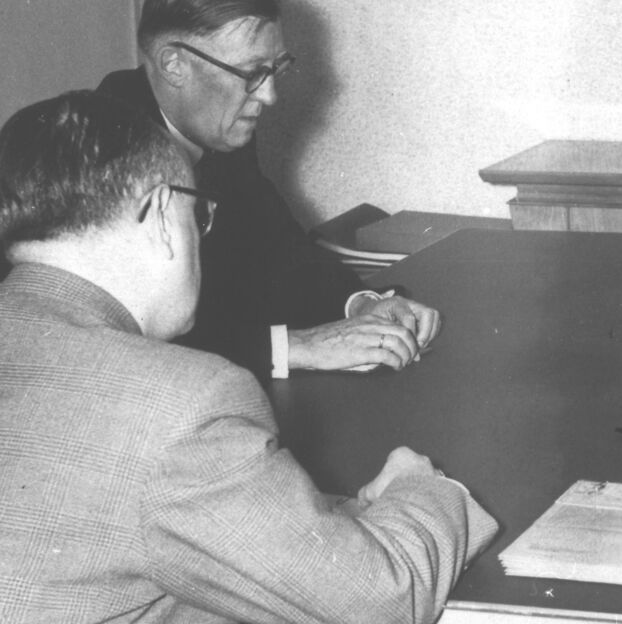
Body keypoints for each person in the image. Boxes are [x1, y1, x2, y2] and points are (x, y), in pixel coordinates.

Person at [0, 90, 497, 623]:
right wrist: (422, 487)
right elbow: (384, 600)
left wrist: (327, 526)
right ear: (162, 214)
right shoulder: (182, 403)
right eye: (198, 216)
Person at [97, 0, 440, 380]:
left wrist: (359, 303)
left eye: (275, 68)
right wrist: (298, 347)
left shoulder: (216, 124)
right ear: (174, 65)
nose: (269, 95)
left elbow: (277, 245)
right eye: (252, 72)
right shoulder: (102, 152)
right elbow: (130, 342)